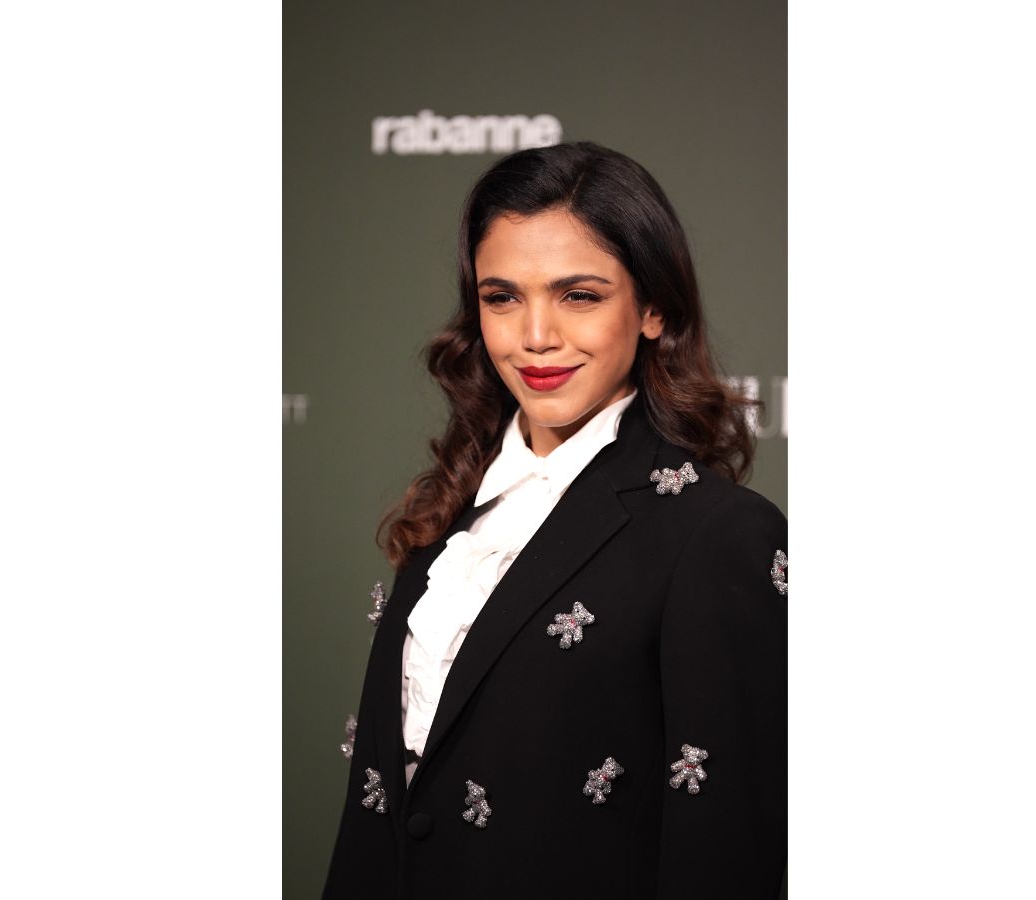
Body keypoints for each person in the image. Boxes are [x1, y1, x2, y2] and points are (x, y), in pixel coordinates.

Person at [322, 141, 786, 899]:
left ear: (654, 308)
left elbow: (728, 851)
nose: (536, 336)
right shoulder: (451, 514)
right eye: (502, 297)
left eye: (579, 296)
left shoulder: (719, 535)